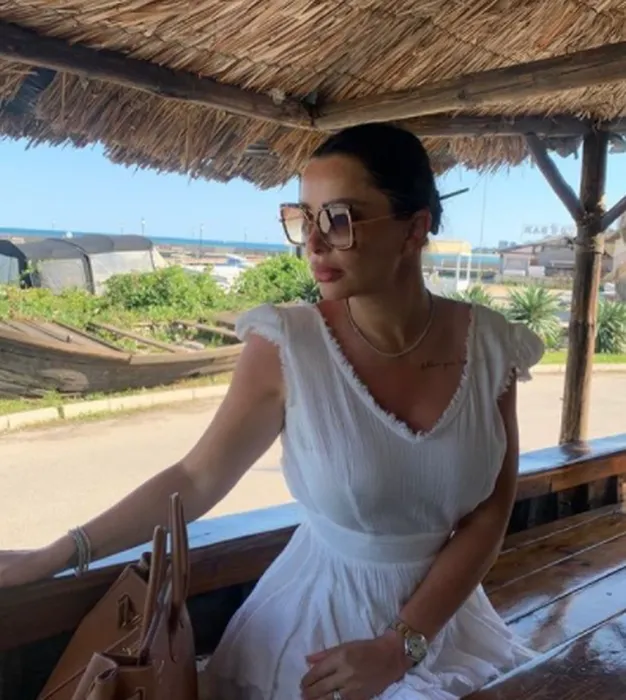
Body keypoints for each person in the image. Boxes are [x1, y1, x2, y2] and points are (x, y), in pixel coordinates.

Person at [0, 123, 544, 700]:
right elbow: (196, 478)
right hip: (314, 635)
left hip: (446, 625)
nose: (314, 244)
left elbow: (490, 513)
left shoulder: (492, 347)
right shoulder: (288, 345)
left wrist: (401, 644)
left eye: (339, 219)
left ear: (414, 229)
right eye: (304, 219)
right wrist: (57, 554)